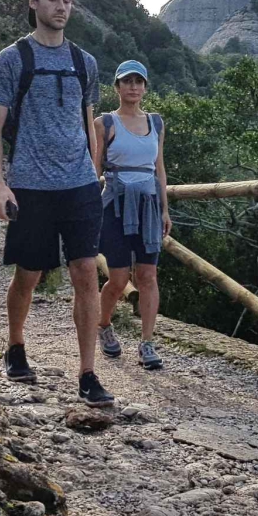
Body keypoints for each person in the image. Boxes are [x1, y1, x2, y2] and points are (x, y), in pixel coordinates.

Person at [0, 0, 116, 407]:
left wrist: (95, 172)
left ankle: (88, 373)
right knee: (29, 274)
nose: (62, 7)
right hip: (32, 185)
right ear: (34, 2)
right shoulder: (13, 59)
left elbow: (90, 121)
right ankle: (16, 345)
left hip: (79, 185)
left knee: (84, 273)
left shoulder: (85, 62)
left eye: (68, 0)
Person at [96, 60, 171, 370]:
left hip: (149, 206)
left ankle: (147, 343)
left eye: (138, 81)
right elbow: (94, 167)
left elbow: (159, 168)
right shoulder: (105, 123)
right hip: (114, 205)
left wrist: (165, 209)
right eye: (127, 81)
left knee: (148, 275)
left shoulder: (156, 123)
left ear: (145, 87)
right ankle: (103, 325)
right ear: (117, 87)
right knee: (118, 278)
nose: (133, 87)